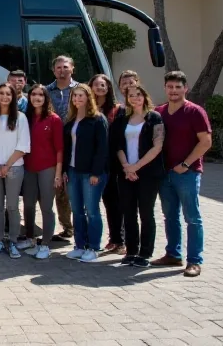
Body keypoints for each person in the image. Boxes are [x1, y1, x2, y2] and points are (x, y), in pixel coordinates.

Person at [153, 71, 211, 277]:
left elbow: (205, 142)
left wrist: (186, 164)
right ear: (165, 88)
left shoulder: (195, 112)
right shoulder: (159, 111)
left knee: (192, 217)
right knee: (170, 216)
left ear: (185, 88)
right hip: (165, 173)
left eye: (178, 87)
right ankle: (173, 254)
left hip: (187, 173)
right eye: (170, 87)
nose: (174, 91)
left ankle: (194, 261)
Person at [112, 82, 165, 268]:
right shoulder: (122, 119)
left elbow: (157, 146)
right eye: (131, 95)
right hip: (126, 174)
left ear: (145, 96)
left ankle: (145, 253)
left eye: (138, 94)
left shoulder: (154, 118)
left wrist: (137, 167)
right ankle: (131, 250)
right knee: (128, 212)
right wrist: (127, 166)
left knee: (146, 212)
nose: (135, 98)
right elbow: (117, 145)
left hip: (148, 174)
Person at [62, 85, 109, 263]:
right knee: (76, 210)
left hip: (91, 173)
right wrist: (66, 169)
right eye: (74, 96)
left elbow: (102, 149)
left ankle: (94, 247)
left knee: (92, 211)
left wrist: (96, 173)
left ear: (88, 97)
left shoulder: (97, 119)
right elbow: (67, 148)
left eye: (81, 96)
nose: (77, 99)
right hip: (73, 172)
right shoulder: (71, 120)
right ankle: (80, 245)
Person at [0, 83, 31, 259]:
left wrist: (7, 166)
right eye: (1, 93)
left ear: (13, 98)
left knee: (12, 207)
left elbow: (23, 145)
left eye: (8, 94)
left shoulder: (21, 118)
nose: (4, 97)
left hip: (14, 168)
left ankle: (12, 241)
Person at [18, 84, 64, 260]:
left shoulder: (54, 119)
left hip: (48, 168)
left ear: (46, 98)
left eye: (40, 95)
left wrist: (58, 174)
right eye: (34, 94)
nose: (37, 98)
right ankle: (30, 238)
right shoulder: (25, 118)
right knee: (28, 205)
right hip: (29, 167)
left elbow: (60, 149)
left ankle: (45, 243)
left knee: (46, 206)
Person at [89, 73, 124, 255]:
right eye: (96, 85)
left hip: (112, 163)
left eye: (103, 85)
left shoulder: (117, 110)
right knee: (94, 203)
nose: (100, 88)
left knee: (113, 202)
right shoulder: (87, 109)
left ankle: (118, 239)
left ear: (108, 88)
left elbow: (118, 138)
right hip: (92, 163)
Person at [47, 55, 78, 241]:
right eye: (58, 67)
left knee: (75, 189)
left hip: (75, 144)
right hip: (53, 146)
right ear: (53, 70)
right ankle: (67, 228)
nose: (62, 70)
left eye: (65, 67)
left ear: (72, 68)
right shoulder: (46, 90)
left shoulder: (81, 90)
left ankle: (81, 227)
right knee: (60, 191)